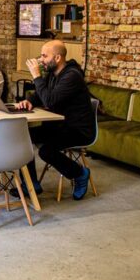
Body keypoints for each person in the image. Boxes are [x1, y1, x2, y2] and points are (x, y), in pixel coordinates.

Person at [13, 40, 94, 199]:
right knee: (23, 137)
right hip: (58, 126)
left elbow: (50, 101)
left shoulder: (72, 76)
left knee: (46, 151)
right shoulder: (52, 73)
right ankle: (30, 185)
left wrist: (36, 76)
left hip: (78, 130)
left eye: (44, 56)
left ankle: (80, 173)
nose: (41, 60)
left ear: (57, 58)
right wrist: (30, 101)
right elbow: (41, 95)